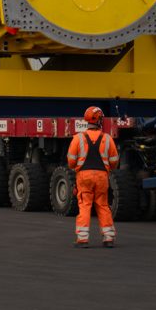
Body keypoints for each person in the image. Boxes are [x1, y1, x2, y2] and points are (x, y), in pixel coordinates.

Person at [66, 106, 120, 248]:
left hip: (84, 176)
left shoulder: (78, 138)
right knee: (103, 205)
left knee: (84, 205)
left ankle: (82, 239)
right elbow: (114, 162)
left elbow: (71, 161)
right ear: (99, 120)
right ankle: (108, 238)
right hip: (102, 176)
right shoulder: (107, 139)